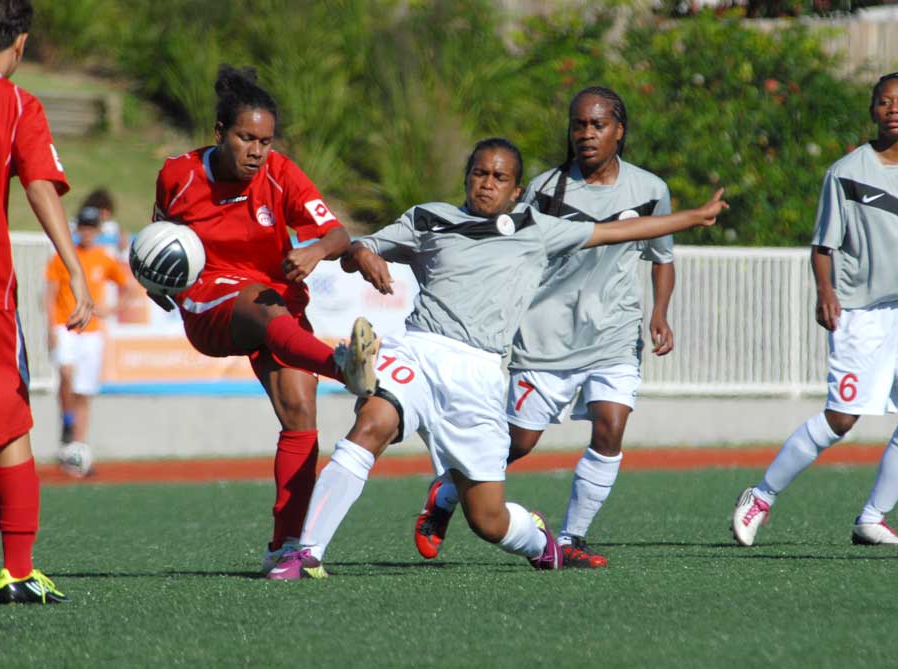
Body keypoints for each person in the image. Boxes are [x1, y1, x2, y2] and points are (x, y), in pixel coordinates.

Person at [266, 137, 726, 579]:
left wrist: (693, 217)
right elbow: (356, 250)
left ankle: (538, 541)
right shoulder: (430, 218)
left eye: (499, 177)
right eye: (479, 173)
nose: (487, 183)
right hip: (420, 351)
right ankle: (307, 553)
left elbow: (617, 230)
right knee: (372, 422)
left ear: (516, 190)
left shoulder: (536, 229)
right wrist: (363, 254)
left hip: (479, 374)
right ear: (467, 177)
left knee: (487, 520)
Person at [413, 86, 675, 568]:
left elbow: (662, 256)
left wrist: (659, 312)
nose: (586, 134)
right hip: (545, 336)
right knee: (518, 443)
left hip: (615, 334)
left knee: (611, 425)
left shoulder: (651, 190)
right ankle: (446, 493)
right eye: (578, 125)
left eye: (597, 125)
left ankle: (572, 537)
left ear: (619, 130)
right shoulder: (544, 189)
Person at [731, 72, 898, 547]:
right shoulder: (846, 172)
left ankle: (872, 518)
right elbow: (822, 246)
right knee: (841, 419)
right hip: (861, 312)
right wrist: (825, 292)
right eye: (884, 101)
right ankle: (760, 496)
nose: (893, 109)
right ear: (873, 110)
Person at [151, 64, 378, 572]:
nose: (257, 150)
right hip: (211, 302)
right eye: (246, 138)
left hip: (276, 303)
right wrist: (156, 282)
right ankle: (342, 366)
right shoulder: (178, 175)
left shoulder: (280, 173)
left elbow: (337, 234)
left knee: (300, 411)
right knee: (259, 300)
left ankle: (286, 546)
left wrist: (315, 250)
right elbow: (158, 241)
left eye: (265, 141)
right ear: (219, 133)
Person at [0, 0, 94, 604]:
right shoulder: (16, 104)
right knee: (11, 422)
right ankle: (18, 571)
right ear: (21, 43)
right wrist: (75, 269)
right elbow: (39, 187)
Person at [46, 204, 130, 476]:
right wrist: (50, 329)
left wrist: (111, 310)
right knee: (66, 373)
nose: (87, 232)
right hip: (66, 326)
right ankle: (67, 420)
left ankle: (77, 449)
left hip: (91, 331)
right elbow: (49, 294)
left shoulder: (104, 258)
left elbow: (126, 286)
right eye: (84, 226)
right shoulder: (62, 257)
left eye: (91, 227)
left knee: (84, 391)